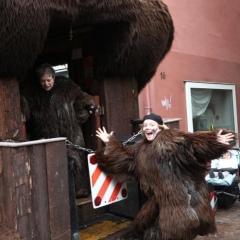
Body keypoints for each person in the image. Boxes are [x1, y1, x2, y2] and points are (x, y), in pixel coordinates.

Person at [95, 113, 236, 240]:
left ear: (160, 128)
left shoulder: (171, 140)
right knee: (148, 231)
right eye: (145, 125)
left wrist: (215, 140)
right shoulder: (140, 149)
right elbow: (124, 160)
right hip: (158, 203)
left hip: (183, 202)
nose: (147, 128)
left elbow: (192, 144)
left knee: (178, 233)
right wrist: (110, 142)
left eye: (151, 125)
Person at [21, 63, 95, 240]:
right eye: (42, 81)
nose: (46, 84)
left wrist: (78, 118)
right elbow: (27, 111)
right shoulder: (33, 93)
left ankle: (80, 194)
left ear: (54, 78)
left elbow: (85, 101)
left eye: (48, 80)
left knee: (75, 165)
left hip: (71, 135)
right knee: (52, 170)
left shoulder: (68, 87)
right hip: (47, 137)